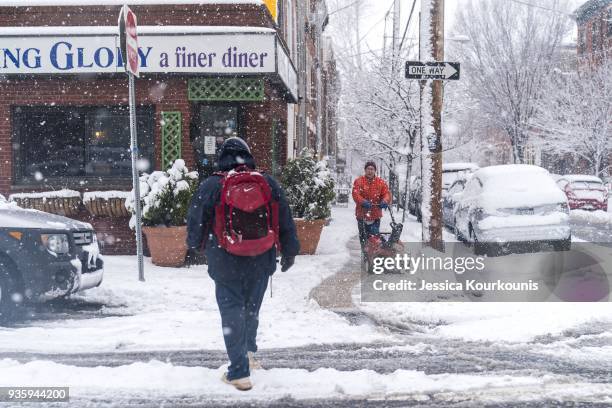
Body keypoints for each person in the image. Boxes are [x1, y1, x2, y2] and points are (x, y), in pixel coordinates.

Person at [187, 137, 300, 391]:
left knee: (232, 313)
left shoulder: (212, 185)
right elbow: (284, 217)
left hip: (225, 260)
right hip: (261, 259)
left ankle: (239, 371)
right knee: (251, 310)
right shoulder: (267, 182)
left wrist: (195, 244)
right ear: (249, 156)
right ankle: (249, 354)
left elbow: (196, 218)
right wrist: (290, 251)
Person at [352, 161, 392, 250]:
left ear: (375, 171)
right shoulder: (359, 181)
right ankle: (365, 253)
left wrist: (385, 200)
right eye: (368, 169)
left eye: (372, 169)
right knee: (364, 238)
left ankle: (374, 256)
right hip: (362, 214)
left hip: (375, 215)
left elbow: (386, 194)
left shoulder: (381, 182)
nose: (370, 171)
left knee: (374, 237)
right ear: (365, 170)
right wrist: (362, 201)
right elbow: (355, 194)